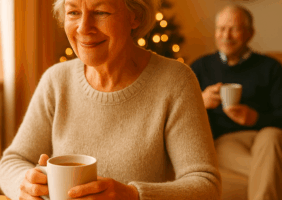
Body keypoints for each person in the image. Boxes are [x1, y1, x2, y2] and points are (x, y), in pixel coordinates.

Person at [0, 0, 222, 199]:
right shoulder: (56, 80)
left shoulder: (176, 81)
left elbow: (206, 185)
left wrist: (134, 196)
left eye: (101, 12)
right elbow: (11, 161)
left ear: (134, 16)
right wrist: (25, 185)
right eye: (73, 12)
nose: (84, 28)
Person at [191, 4, 282, 200]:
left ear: (249, 33)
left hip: (265, 134)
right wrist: (199, 102)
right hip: (227, 140)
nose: (226, 35)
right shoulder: (200, 67)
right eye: (221, 29)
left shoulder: (271, 67)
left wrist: (255, 117)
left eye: (234, 29)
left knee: (272, 136)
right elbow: (178, 116)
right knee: (269, 166)